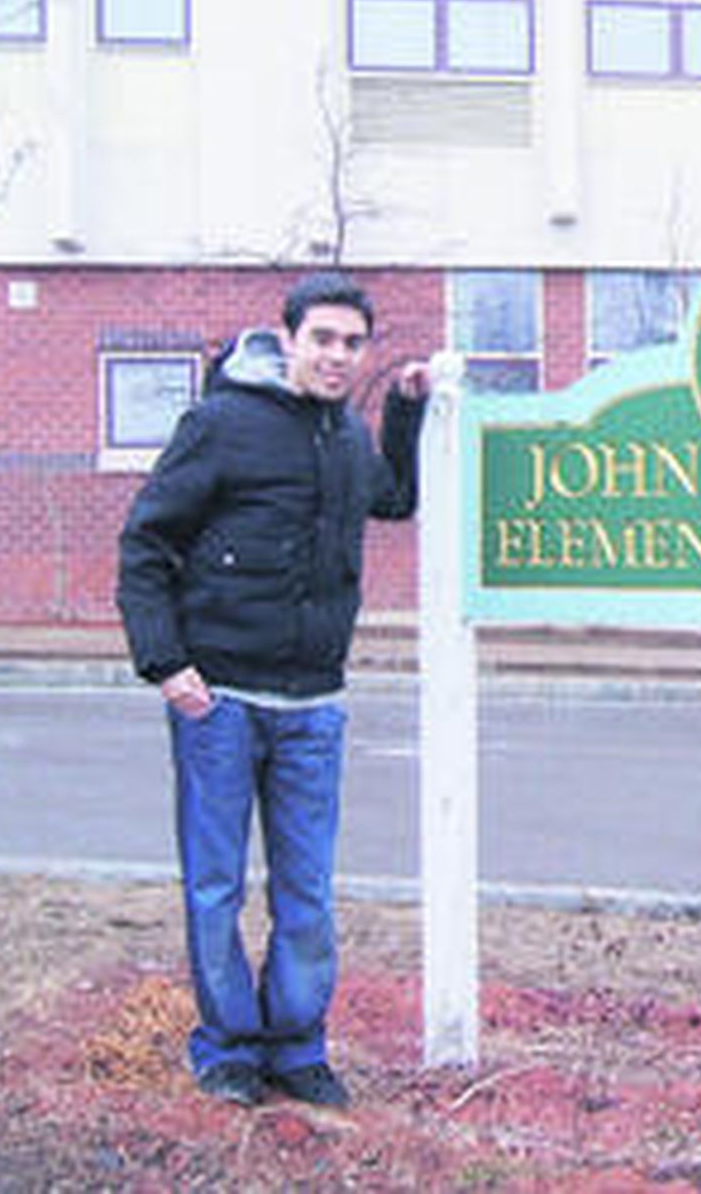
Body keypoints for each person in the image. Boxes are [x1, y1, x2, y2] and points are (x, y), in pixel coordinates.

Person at [116, 273, 431, 1109]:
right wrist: (165, 663)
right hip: (218, 699)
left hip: (313, 707)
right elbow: (147, 542)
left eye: (351, 342)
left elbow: (394, 500)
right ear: (288, 338)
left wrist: (404, 411)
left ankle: (296, 1047)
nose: (337, 355)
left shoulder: (345, 437)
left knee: (306, 894)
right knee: (215, 886)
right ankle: (225, 1047)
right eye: (322, 338)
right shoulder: (221, 422)